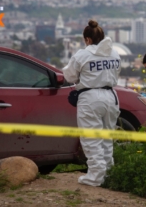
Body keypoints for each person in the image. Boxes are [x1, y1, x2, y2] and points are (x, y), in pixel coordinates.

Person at [62, 20, 121, 186]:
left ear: (87, 39)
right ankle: (108, 173)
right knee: (107, 137)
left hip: (90, 97)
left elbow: (69, 76)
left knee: (91, 138)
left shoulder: (82, 55)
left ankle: (95, 176)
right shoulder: (114, 53)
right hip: (111, 96)